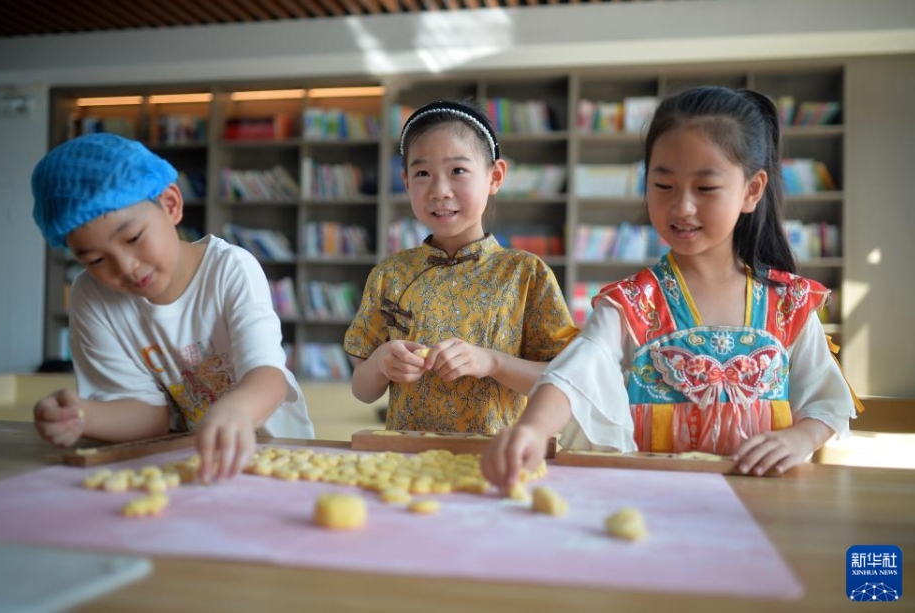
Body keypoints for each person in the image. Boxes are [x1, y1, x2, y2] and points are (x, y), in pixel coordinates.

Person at [482, 86, 861, 488]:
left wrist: (799, 437)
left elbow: (826, 400)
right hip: (657, 500)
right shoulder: (630, 303)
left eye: (705, 188)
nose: (682, 207)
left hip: (765, 498)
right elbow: (575, 374)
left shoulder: (789, 302)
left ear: (751, 190)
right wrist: (533, 430)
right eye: (663, 186)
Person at [31, 133, 314, 482]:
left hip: (276, 455)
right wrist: (81, 416)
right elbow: (149, 417)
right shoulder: (92, 297)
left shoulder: (230, 268)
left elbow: (268, 376)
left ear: (170, 204)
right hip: (183, 462)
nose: (126, 267)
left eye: (134, 238)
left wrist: (237, 411)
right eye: (97, 259)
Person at [344, 100, 578, 434]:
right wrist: (382, 362)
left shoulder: (526, 274)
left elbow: (564, 381)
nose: (440, 191)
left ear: (495, 176)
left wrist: (492, 362)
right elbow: (362, 390)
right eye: (422, 173)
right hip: (404, 460)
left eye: (457, 171)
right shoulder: (389, 274)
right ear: (407, 182)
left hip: (493, 461)